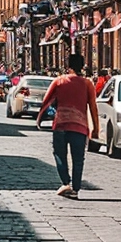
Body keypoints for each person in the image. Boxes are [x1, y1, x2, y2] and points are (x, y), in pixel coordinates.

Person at [38, 52, 99, 199]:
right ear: (82, 67)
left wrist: (39, 119)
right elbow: (93, 107)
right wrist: (96, 128)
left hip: (61, 125)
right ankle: (75, 189)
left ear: (68, 66)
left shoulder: (59, 81)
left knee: (60, 155)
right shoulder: (87, 84)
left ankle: (66, 182)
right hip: (80, 126)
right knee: (78, 159)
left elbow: (46, 101)